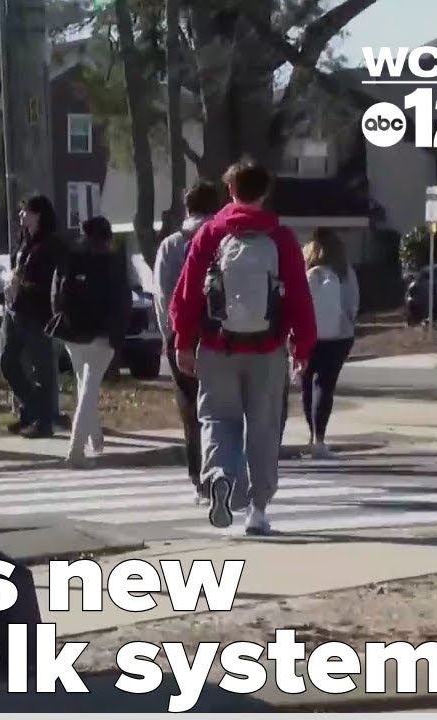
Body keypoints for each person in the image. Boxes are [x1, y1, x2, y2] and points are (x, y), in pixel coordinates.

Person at [168, 158, 317, 536]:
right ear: (264, 192)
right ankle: (259, 509)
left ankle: (219, 476)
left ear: (230, 190)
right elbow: (299, 296)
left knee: (217, 419)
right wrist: (302, 347)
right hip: (267, 350)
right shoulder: (281, 238)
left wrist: (184, 342)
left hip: (217, 347)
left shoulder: (211, 234)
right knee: (263, 427)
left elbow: (185, 295)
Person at [153, 180, 222, 503]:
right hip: (223, 334)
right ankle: (225, 470)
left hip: (183, 336)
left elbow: (164, 295)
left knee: (192, 410)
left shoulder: (171, 245)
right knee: (224, 407)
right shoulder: (227, 239)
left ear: (187, 207)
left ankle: (199, 478)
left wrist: (170, 335)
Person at [45, 216, 131, 468]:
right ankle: (76, 450)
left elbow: (55, 292)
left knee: (84, 384)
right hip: (101, 335)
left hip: (72, 332)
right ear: (107, 237)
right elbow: (122, 300)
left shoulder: (69, 257)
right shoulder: (112, 262)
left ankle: (95, 438)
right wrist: (117, 334)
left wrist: (59, 317)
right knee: (89, 389)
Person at [0, 194, 64, 439]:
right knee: (7, 360)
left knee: (42, 368)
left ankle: (43, 421)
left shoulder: (50, 245)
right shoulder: (24, 241)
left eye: (25, 211)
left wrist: (22, 286)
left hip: (36, 313)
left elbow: (50, 283)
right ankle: (32, 410)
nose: (21, 215)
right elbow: (17, 269)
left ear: (38, 214)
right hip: (15, 308)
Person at [302, 227, 359, 460]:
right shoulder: (345, 273)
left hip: (308, 335)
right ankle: (320, 439)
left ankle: (310, 434)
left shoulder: (304, 272)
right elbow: (352, 306)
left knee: (307, 384)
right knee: (324, 386)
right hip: (339, 337)